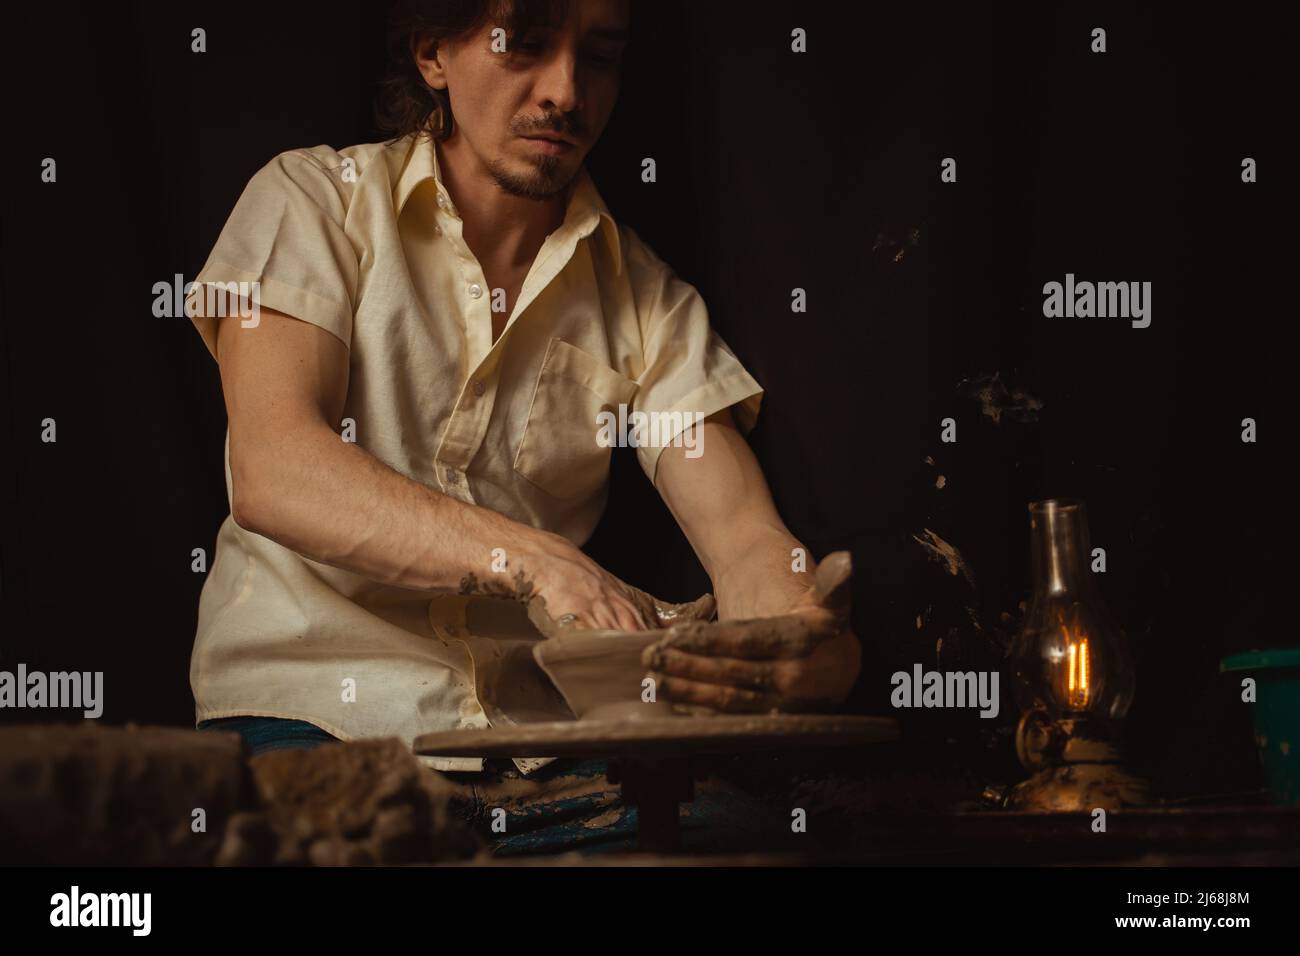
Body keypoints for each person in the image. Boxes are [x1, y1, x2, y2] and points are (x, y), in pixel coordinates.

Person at [190, 0, 861, 818]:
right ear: (433, 51)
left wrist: (802, 637)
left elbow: (743, 539)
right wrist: (537, 560)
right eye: (526, 44)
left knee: (741, 834)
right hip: (313, 717)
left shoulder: (645, 297)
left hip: (541, 747)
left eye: (602, 56)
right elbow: (275, 470)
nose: (567, 92)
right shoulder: (311, 198)